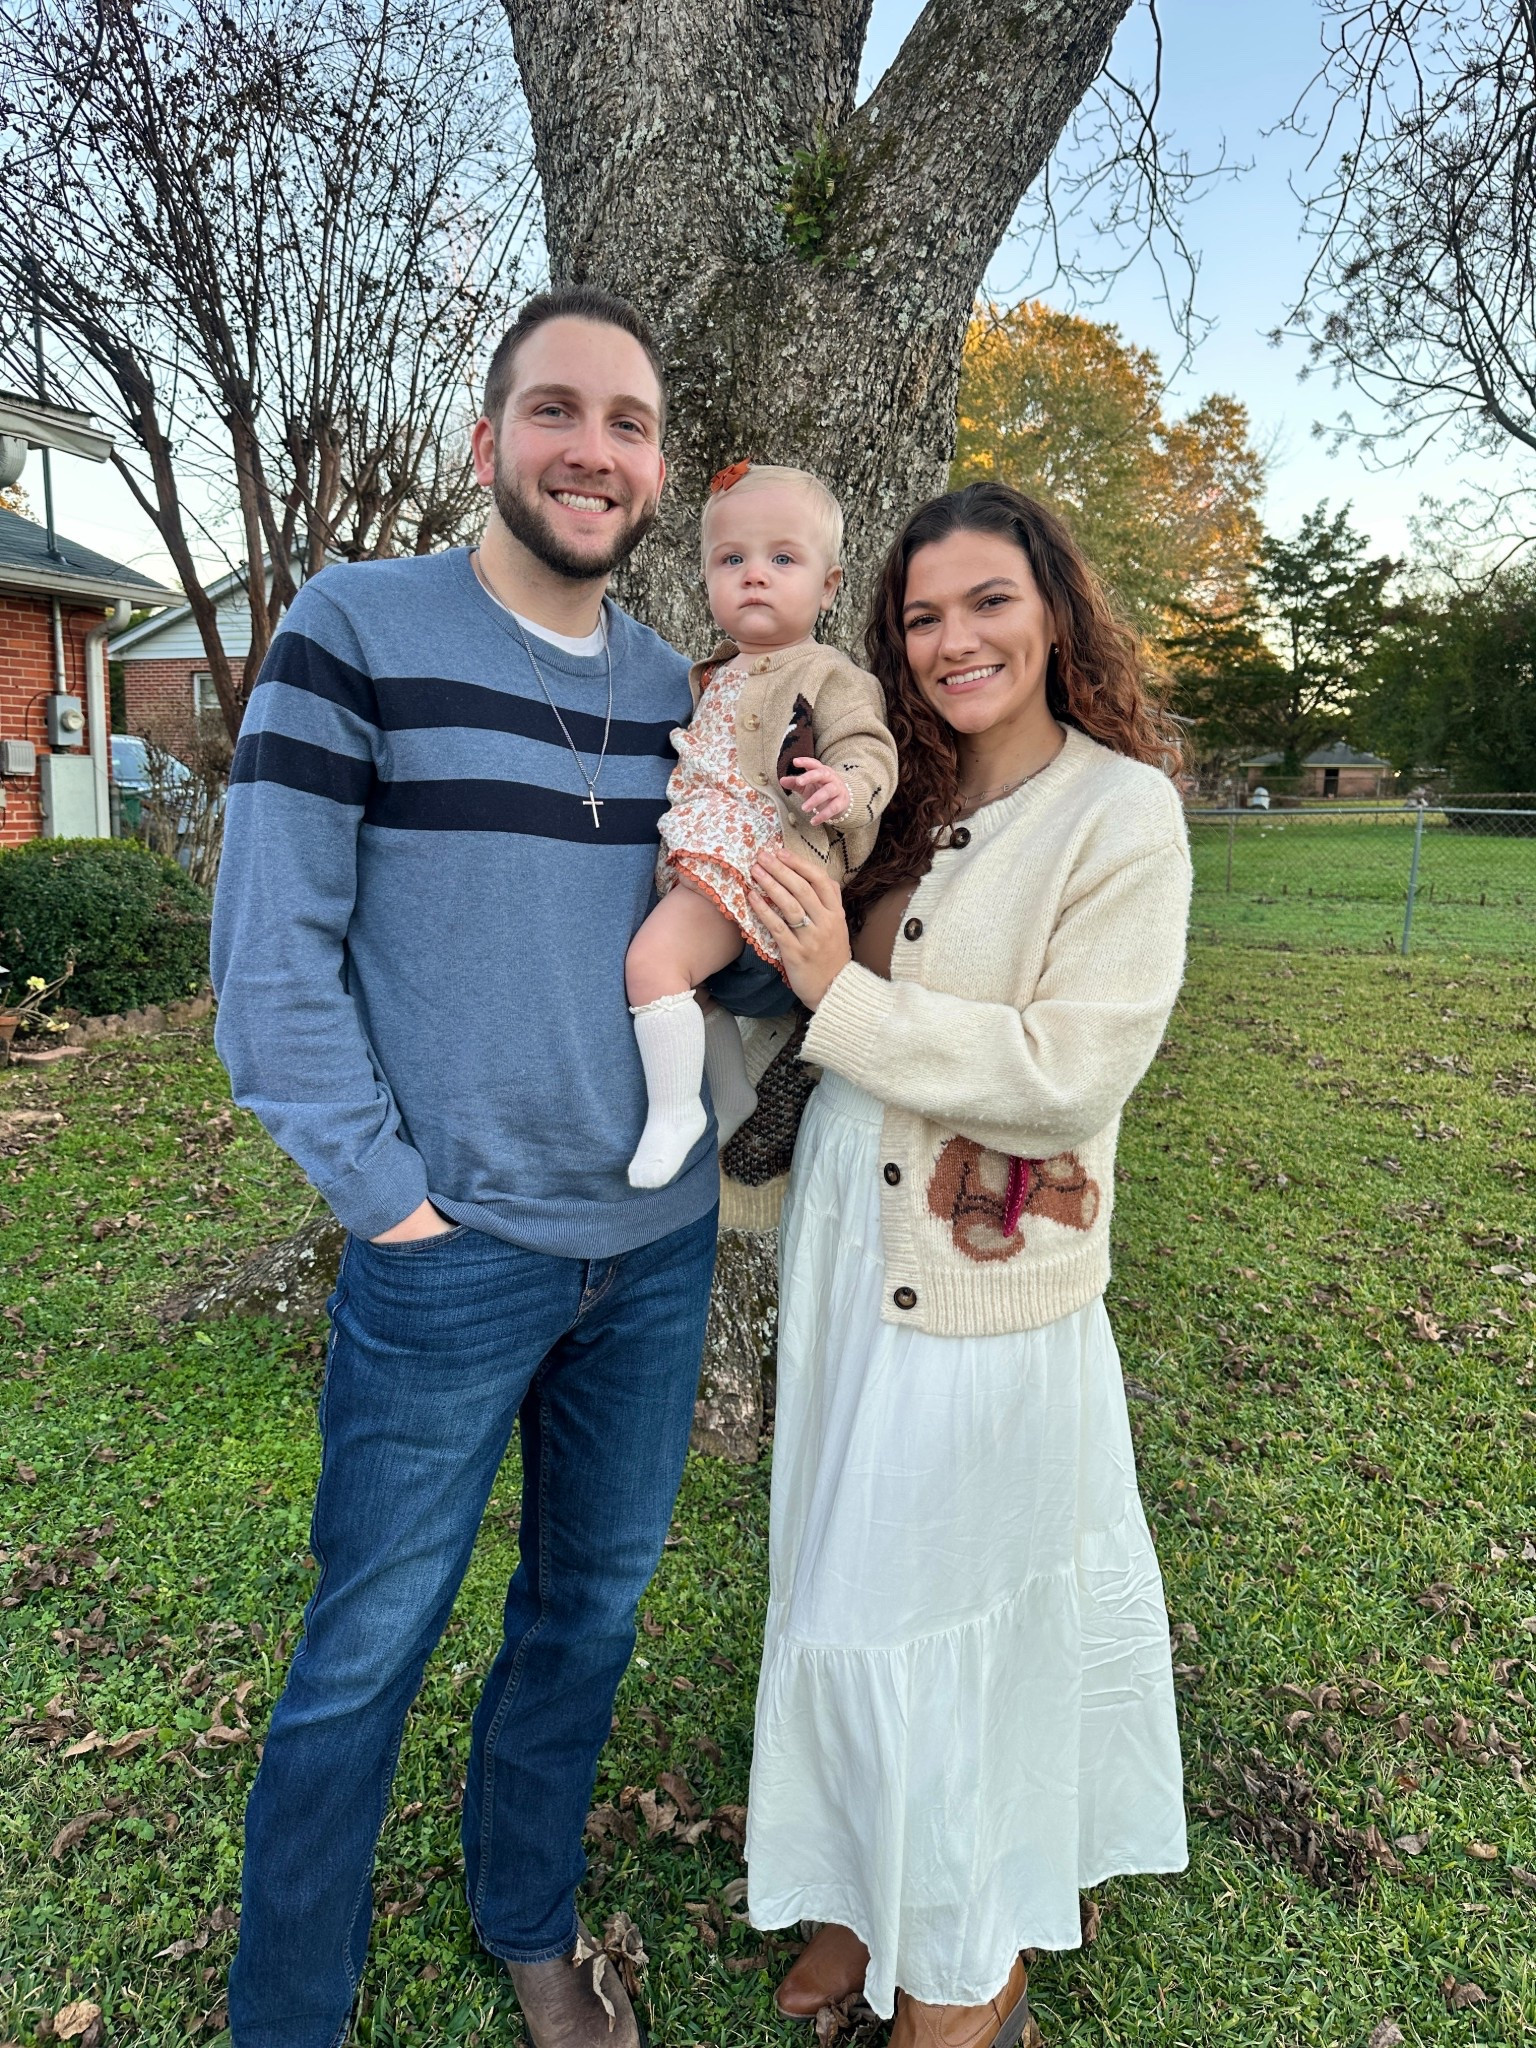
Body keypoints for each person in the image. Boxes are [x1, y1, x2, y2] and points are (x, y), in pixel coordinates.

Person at [210, 284, 771, 2048]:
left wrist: (811, 866)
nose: (592, 450)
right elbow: (269, 960)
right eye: (556, 410)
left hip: (655, 1251)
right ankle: (287, 2007)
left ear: (658, 470)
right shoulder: (355, 628)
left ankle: (528, 1916)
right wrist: (391, 1200)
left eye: (627, 423)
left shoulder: (691, 695)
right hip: (449, 1255)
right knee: (365, 1648)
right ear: (486, 442)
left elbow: (740, 956)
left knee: (584, 1617)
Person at [741, 483, 1193, 2048]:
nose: (955, 641)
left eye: (990, 601)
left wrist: (836, 992)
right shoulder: (901, 799)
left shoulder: (1120, 813)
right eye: (923, 616)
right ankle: (861, 1887)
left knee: (937, 1605)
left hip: (987, 1276)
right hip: (845, 1245)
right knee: (833, 1569)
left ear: (1055, 611)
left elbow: (1073, 1072)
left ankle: (967, 1951)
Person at [625, 460, 895, 1188]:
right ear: (706, 578)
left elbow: (869, 747)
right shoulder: (713, 673)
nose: (754, 575)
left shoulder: (829, 673)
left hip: (758, 865)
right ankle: (729, 1093)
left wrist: (845, 787)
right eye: (731, 559)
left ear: (828, 586)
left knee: (653, 966)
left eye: (782, 559)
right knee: (695, 989)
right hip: (705, 858)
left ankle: (674, 1112)